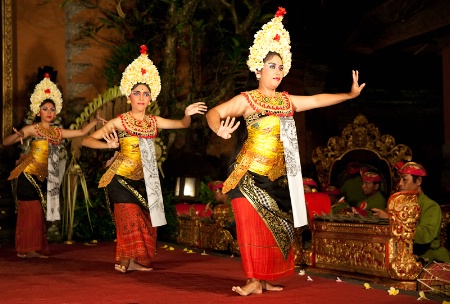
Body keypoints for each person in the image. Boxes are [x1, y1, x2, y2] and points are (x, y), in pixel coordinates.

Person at [205, 7, 365, 296]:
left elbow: (317, 100)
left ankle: (265, 279)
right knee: (251, 228)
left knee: (274, 229)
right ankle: (253, 280)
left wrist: (349, 95)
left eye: (280, 66)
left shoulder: (287, 101)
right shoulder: (247, 100)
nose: (277, 72)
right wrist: (219, 129)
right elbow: (214, 112)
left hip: (277, 179)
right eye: (271, 66)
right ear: (258, 69)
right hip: (248, 177)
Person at [82, 45, 207, 273]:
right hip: (119, 178)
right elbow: (86, 141)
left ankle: (137, 261)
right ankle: (125, 259)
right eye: (137, 93)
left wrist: (187, 115)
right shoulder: (119, 121)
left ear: (151, 98)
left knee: (148, 220)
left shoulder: (154, 121)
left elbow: (182, 125)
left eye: (145, 93)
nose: (141, 97)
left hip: (145, 180)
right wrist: (107, 144)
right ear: (129, 96)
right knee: (130, 215)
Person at [3, 73, 102, 258]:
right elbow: (6, 142)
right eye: (45, 108)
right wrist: (16, 136)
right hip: (27, 175)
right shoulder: (32, 128)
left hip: (42, 177)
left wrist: (94, 122)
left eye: (52, 109)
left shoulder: (57, 132)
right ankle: (26, 249)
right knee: (29, 211)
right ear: (38, 111)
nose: (49, 112)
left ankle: (31, 248)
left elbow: (80, 131)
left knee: (38, 213)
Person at [372, 162, 450, 263]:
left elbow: (425, 235)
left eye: (404, 179)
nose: (400, 184)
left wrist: (391, 220)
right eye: (399, 179)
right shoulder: (398, 204)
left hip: (428, 257)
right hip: (401, 255)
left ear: (418, 181)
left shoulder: (431, 206)